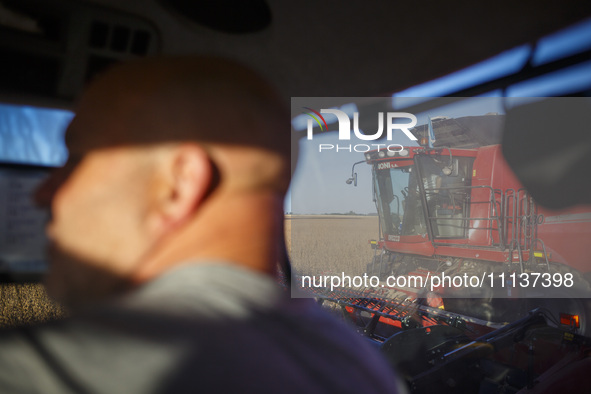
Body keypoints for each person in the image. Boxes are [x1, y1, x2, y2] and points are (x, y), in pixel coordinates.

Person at [0, 56, 405, 393]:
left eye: (74, 160)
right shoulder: (361, 366)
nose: (42, 193)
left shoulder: (49, 370)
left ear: (179, 184)